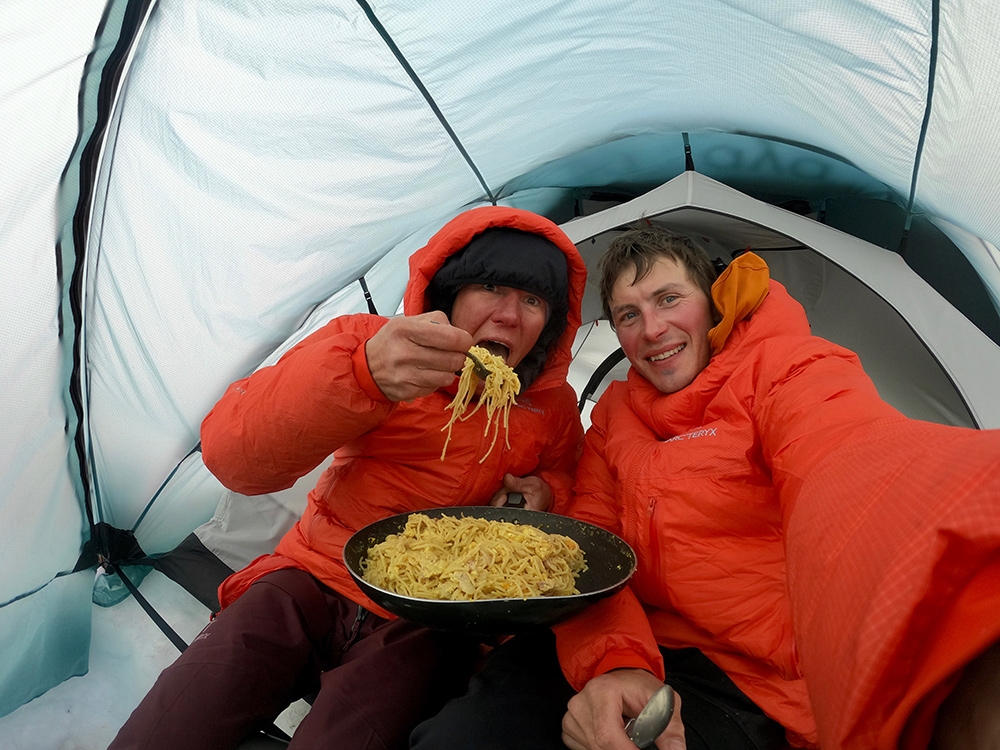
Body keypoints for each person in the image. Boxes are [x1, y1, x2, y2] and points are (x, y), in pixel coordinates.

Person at [410, 225, 1000, 750]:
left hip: (749, 677)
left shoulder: (786, 371)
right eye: (628, 314)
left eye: (669, 299)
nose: (653, 329)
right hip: (625, 630)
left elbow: (848, 459)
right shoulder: (615, 415)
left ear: (714, 304)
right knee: (462, 735)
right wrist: (615, 665)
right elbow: (593, 543)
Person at [108, 205, 588, 750]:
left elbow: (569, 488)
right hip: (310, 574)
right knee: (172, 724)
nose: (509, 315)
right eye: (490, 285)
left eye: (533, 300)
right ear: (450, 295)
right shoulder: (372, 342)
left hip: (429, 618)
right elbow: (234, 457)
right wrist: (363, 374)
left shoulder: (552, 408)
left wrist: (548, 493)